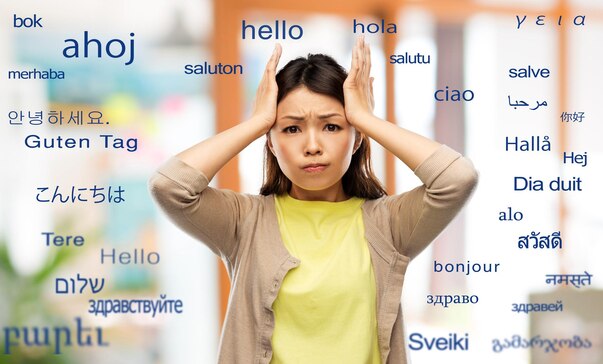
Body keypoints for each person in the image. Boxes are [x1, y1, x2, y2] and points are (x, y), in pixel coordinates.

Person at [149, 36, 478, 363]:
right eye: (291, 129)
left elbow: (456, 179)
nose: (312, 145)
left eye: (332, 127)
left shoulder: (389, 224)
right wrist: (256, 123)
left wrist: (368, 120)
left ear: (356, 138)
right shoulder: (244, 221)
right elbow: (170, 186)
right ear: (271, 143)